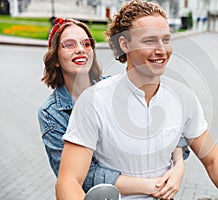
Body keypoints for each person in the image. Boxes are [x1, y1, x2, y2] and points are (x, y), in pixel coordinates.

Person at [56, 0, 218, 199]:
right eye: (149, 41)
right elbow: (68, 182)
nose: (162, 50)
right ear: (125, 44)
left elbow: (213, 160)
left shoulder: (183, 97)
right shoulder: (94, 100)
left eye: (166, 39)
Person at [38, 17, 186, 199]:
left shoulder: (116, 87)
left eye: (86, 44)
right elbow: (82, 177)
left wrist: (179, 165)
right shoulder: (51, 112)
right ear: (56, 59)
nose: (80, 49)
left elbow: (159, 127)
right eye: (69, 44)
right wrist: (153, 185)